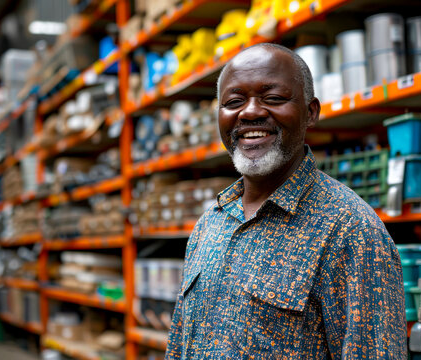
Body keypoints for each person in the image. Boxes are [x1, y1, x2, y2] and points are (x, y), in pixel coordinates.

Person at [165, 43, 407, 359]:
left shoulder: (350, 231)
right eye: (234, 102)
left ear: (311, 112)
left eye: (274, 99)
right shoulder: (209, 225)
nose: (250, 112)